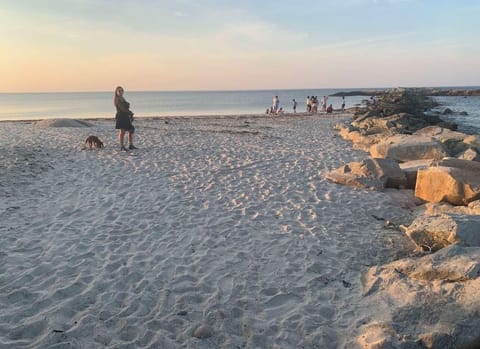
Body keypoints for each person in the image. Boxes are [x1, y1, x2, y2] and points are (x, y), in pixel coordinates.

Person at [114, 86, 137, 151]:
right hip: (121, 116)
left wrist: (130, 114)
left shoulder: (122, 98)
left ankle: (131, 145)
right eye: (119, 91)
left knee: (131, 129)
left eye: (121, 90)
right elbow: (122, 109)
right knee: (122, 131)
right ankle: (122, 146)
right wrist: (130, 112)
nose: (120, 92)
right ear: (116, 92)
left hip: (126, 116)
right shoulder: (116, 99)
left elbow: (126, 107)